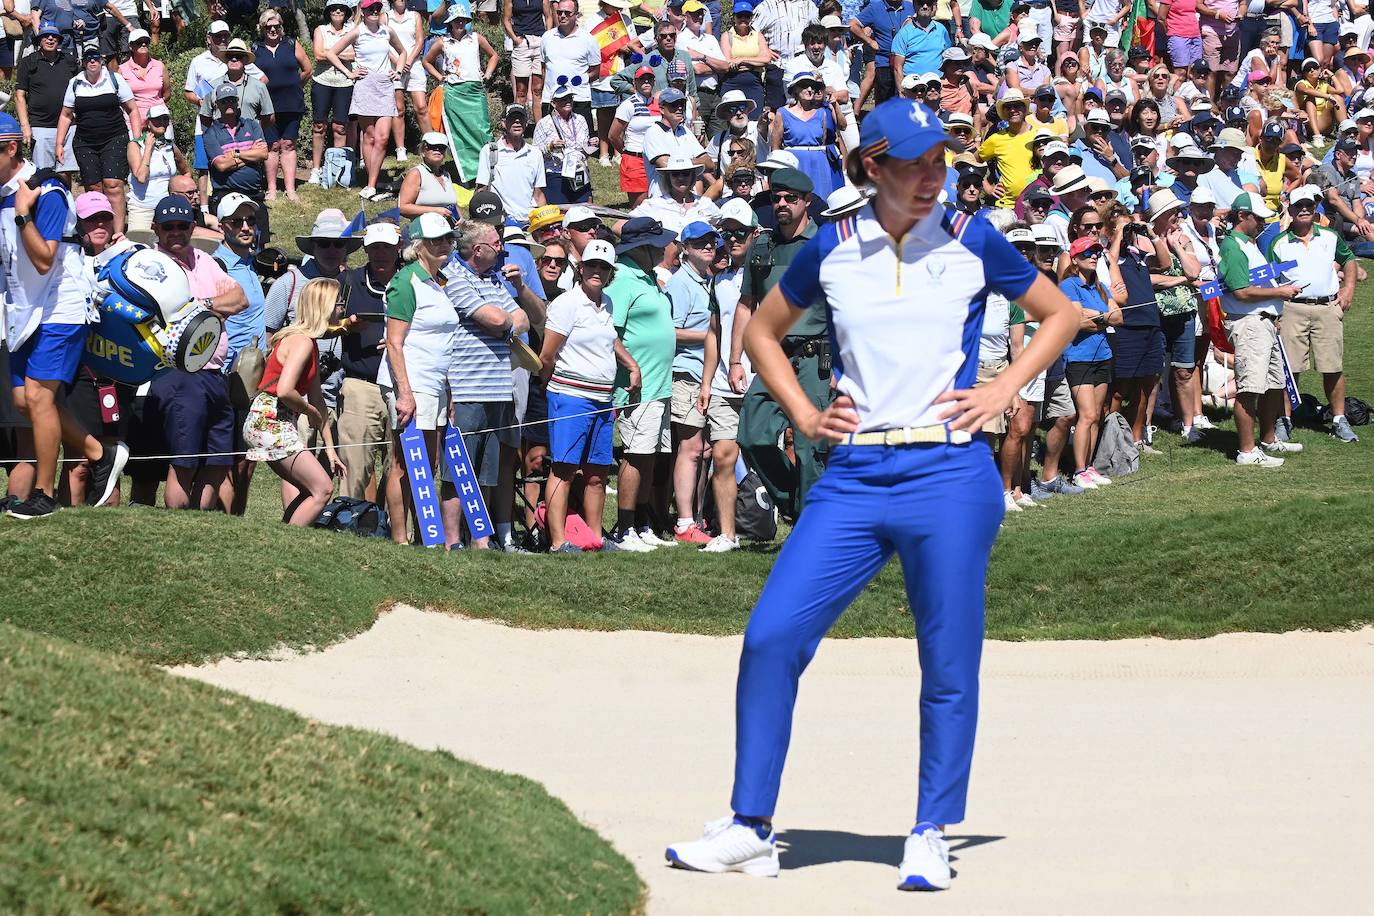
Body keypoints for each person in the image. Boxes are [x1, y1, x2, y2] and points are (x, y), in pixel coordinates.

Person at [665, 96, 1080, 890]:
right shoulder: (831, 247)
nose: (931, 176)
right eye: (914, 163)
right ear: (871, 167)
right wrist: (805, 411)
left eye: (940, 162)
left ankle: (930, 829)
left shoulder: (972, 238)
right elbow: (760, 332)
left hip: (949, 476)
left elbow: (1061, 314)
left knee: (947, 658)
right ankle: (751, 825)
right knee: (771, 638)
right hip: (852, 476)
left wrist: (1003, 392)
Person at [1, 114, 127, 520]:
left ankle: (44, 494)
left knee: (40, 397)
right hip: (23, 310)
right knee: (24, 401)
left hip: (60, 306)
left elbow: (43, 260)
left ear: (11, 149)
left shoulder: (46, 192)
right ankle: (98, 453)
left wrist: (23, 215)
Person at [730, 167, 830, 520]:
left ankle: (813, 524)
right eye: (776, 198)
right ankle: (796, 505)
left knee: (809, 448)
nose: (782, 204)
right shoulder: (761, 245)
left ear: (806, 201)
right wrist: (735, 360)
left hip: (814, 358)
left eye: (791, 198)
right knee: (752, 437)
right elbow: (746, 304)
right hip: (773, 359)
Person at [144, 194, 249, 512]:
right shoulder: (150, 263)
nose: (176, 232)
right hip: (179, 373)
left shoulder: (203, 260)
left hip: (215, 372)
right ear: (156, 229)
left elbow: (240, 298)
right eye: (169, 226)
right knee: (185, 461)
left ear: (193, 227)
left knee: (219, 461)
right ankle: (179, 520)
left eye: (183, 225)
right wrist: (215, 309)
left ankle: (199, 520)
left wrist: (201, 306)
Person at [443, 216, 540, 550]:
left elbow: (521, 319)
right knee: (458, 470)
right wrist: (503, 322)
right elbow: (498, 318)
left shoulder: (495, 280)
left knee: (487, 471)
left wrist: (503, 323)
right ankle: (453, 540)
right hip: (467, 388)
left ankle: (480, 540)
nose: (503, 250)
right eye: (498, 244)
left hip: (499, 388)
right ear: (479, 249)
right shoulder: (453, 278)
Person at [537, 238, 639, 552]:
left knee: (596, 473)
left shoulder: (607, 303)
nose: (597, 271)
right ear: (581, 268)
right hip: (570, 396)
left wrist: (630, 364)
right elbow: (547, 355)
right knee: (564, 469)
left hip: (602, 398)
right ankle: (558, 541)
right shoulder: (567, 303)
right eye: (592, 265)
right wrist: (553, 387)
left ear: (611, 272)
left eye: (604, 267)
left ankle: (596, 539)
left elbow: (609, 339)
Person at [379, 215, 458, 545]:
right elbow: (395, 342)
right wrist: (405, 392)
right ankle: (400, 537)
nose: (444, 245)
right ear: (418, 246)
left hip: (434, 383)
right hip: (411, 381)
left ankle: (421, 535)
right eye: (436, 240)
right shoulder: (405, 281)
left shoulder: (438, 282)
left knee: (425, 463)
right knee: (405, 462)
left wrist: (448, 393)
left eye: (448, 239)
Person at [243, 277, 345, 527]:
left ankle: (286, 536)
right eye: (339, 303)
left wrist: (330, 449)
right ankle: (287, 543)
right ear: (325, 307)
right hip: (270, 421)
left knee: (311, 490)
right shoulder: (301, 342)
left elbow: (319, 401)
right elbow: (286, 390)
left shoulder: (310, 343)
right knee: (322, 489)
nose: (343, 309)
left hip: (275, 420)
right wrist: (307, 410)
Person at [603, 216, 678, 551]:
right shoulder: (622, 280)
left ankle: (642, 523)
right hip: (637, 386)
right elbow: (610, 332)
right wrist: (631, 367)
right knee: (635, 455)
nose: (664, 247)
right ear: (644, 247)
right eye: (658, 242)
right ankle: (625, 528)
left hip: (659, 385)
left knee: (650, 456)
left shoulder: (647, 279)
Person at [1217, 192, 1305, 465]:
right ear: (1242, 216)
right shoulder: (1234, 247)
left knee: (1273, 385)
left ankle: (1268, 439)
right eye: (1258, 218)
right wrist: (1279, 293)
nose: (1262, 223)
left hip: (1264, 322)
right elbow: (1241, 292)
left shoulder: (1249, 244)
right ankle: (1247, 451)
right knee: (1250, 388)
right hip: (1249, 324)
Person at [1269, 185, 1360, 443]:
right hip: (1292, 309)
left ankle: (1339, 419)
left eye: (1309, 205)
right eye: (1299, 206)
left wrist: (1349, 288)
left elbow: (1349, 260)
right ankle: (1284, 419)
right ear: (1291, 209)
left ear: (1315, 208)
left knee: (1332, 366)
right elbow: (1270, 280)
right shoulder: (1278, 243)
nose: (1305, 210)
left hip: (1327, 308)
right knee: (1289, 370)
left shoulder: (1330, 236)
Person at [333, 221, 402, 501]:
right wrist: (344, 325)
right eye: (375, 248)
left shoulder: (414, 282)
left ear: (399, 249)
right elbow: (323, 323)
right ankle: (347, 521)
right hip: (361, 384)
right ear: (365, 249)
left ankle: (395, 531)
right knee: (354, 466)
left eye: (387, 247)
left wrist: (400, 343)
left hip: (402, 386)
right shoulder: (348, 281)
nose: (381, 254)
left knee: (399, 467)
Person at [663, 220, 721, 543]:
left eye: (711, 242)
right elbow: (670, 331)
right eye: (700, 243)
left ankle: (695, 517)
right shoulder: (680, 284)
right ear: (685, 249)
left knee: (706, 450)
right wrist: (712, 336)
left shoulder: (707, 280)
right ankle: (685, 522)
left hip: (705, 375)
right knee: (691, 448)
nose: (709, 247)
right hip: (686, 373)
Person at [212, 191, 267, 516]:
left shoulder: (249, 262)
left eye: (250, 220)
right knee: (231, 457)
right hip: (227, 376)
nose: (246, 227)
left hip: (253, 377)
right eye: (237, 221)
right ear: (223, 226)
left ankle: (238, 521)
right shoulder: (218, 265)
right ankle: (226, 522)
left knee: (248, 458)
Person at [55, 43, 141, 235]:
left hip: (115, 138)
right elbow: (66, 115)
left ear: (101, 60)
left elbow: (132, 109)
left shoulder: (114, 79)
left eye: (96, 57)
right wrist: (59, 143)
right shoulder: (75, 83)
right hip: (85, 142)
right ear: (83, 62)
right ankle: (99, 232)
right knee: (94, 189)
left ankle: (118, 234)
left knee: (114, 185)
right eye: (88, 58)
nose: (92, 61)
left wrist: (137, 140)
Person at [326, 0, 408, 200]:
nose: (374, 11)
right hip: (364, 87)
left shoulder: (387, 31)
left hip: (385, 87)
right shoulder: (357, 32)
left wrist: (398, 71)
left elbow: (403, 52)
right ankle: (373, 180)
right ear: (362, 11)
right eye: (370, 8)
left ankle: (371, 184)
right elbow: (331, 52)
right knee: (370, 137)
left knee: (382, 138)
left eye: (377, 9)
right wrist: (349, 72)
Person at [1059, 232, 1121, 488]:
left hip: (1103, 355)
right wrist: (1101, 318)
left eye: (1096, 252)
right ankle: (1079, 469)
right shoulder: (1069, 285)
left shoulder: (1099, 286)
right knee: (1085, 415)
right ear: (1075, 259)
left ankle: (1090, 466)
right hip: (1079, 358)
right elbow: (1078, 322)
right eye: (1087, 253)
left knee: (1096, 415)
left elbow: (1119, 318)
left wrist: (1099, 316)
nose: (1094, 256)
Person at [425, 1, 499, 183]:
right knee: (459, 135)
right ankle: (470, 174)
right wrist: (440, 77)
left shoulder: (476, 37)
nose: (460, 23)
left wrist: (487, 74)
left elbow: (494, 56)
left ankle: (491, 171)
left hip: (475, 91)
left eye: (463, 20)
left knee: (483, 130)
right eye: (457, 20)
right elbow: (426, 61)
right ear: (450, 22)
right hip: (454, 93)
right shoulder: (442, 42)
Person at [254, 7, 311, 203]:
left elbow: (307, 69)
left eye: (277, 26)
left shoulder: (291, 44)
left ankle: (290, 189)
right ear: (262, 28)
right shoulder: (254, 48)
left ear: (281, 27)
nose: (273, 30)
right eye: (269, 27)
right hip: (266, 106)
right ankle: (271, 189)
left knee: (288, 144)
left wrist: (295, 85)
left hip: (291, 103)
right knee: (271, 146)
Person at [202, 83, 268, 231]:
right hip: (227, 194)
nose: (228, 104)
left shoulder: (252, 125)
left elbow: (263, 154)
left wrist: (236, 154)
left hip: (253, 194)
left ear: (237, 101)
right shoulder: (211, 133)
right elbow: (221, 165)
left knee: (258, 243)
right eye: (224, 101)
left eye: (231, 100)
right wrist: (251, 153)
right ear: (217, 104)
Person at [16, 22, 80, 176]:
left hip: (68, 126)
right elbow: (20, 96)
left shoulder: (69, 61)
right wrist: (25, 126)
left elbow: (80, 89)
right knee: (44, 174)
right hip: (41, 126)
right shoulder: (28, 62)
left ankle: (64, 200)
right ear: (39, 40)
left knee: (65, 173)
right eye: (45, 36)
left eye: (54, 36)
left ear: (59, 40)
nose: (50, 39)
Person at [774, 70, 845, 199]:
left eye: (813, 86)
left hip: (819, 163)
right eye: (805, 85)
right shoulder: (782, 113)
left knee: (821, 200)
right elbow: (776, 147)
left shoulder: (821, 113)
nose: (810, 89)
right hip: (794, 164)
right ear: (795, 90)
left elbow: (822, 141)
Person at [309, 0, 357, 187]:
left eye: (342, 8)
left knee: (340, 127)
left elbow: (354, 54)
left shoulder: (352, 30)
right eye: (334, 8)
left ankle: (337, 170)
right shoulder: (320, 30)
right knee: (319, 125)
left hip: (345, 83)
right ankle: (315, 169)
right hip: (322, 82)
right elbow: (318, 55)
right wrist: (339, 53)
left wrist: (330, 53)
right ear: (328, 12)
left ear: (346, 12)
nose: (338, 11)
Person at [124, 101, 186, 233]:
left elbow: (186, 171)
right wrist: (148, 148)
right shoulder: (135, 146)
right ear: (148, 123)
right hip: (142, 207)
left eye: (165, 119)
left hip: (167, 208)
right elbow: (141, 177)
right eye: (157, 119)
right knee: (138, 246)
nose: (162, 122)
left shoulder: (170, 146)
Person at [533, 81, 597, 204]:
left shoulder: (580, 120)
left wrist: (591, 145)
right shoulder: (544, 123)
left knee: (584, 209)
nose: (567, 101)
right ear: (553, 103)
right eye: (562, 99)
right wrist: (550, 147)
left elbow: (585, 151)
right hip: (556, 173)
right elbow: (535, 154)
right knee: (561, 211)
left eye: (570, 98)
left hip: (578, 170)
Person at [642, 86, 711, 195]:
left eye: (682, 105)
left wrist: (681, 162)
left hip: (688, 198)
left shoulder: (685, 131)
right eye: (674, 105)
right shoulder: (653, 133)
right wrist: (693, 162)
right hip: (663, 199)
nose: (679, 108)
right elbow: (666, 166)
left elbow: (709, 163)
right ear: (661, 109)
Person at [977, 88, 1036, 208]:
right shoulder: (996, 139)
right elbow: (973, 161)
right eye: (1008, 107)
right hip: (1006, 206)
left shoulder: (1038, 136)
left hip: (1035, 205)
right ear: (1004, 111)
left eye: (1017, 106)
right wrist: (987, 187)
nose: (1013, 110)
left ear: (1025, 109)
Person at [610, 65, 658, 208]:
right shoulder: (628, 105)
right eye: (642, 79)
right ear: (634, 83)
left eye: (649, 79)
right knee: (640, 208)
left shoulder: (660, 104)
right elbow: (613, 135)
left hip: (657, 160)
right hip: (636, 160)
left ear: (654, 82)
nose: (646, 82)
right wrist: (626, 152)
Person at [386, 0, 426, 163]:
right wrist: (399, 62)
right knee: (399, 109)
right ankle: (400, 148)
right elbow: (384, 42)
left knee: (422, 108)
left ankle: (430, 143)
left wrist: (408, 61)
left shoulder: (414, 16)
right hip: (393, 64)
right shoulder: (385, 17)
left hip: (413, 64)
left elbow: (419, 41)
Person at [719, 0, 770, 117]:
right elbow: (728, 62)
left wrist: (742, 60)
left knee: (754, 121)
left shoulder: (758, 36)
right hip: (731, 82)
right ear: (734, 17)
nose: (743, 19)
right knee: (732, 119)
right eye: (740, 16)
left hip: (754, 84)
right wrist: (755, 63)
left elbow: (766, 58)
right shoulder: (726, 36)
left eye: (747, 16)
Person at [117, 27, 168, 139]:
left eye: (146, 42)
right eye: (139, 42)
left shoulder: (159, 66)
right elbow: (119, 98)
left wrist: (155, 104)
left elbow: (167, 93)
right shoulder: (122, 70)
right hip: (134, 122)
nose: (143, 44)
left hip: (160, 120)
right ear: (131, 46)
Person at [399, 131, 461, 222]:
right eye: (432, 147)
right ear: (423, 151)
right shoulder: (416, 173)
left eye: (441, 147)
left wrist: (461, 219)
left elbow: (452, 205)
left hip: (449, 229)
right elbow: (402, 207)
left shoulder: (446, 175)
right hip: (425, 230)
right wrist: (435, 211)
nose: (437, 150)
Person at [506, 0, 552, 117]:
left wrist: (547, 37)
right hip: (522, 41)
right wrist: (514, 38)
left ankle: (540, 128)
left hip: (539, 40)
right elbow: (506, 19)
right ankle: (517, 126)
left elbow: (548, 16)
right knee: (521, 91)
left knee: (538, 90)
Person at [890, 0, 950, 86]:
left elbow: (947, 57)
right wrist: (901, 91)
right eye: (921, 3)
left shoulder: (941, 30)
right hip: (913, 88)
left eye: (928, 4)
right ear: (914, 5)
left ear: (933, 6)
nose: (925, 6)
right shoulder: (904, 33)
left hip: (936, 86)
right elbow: (897, 67)